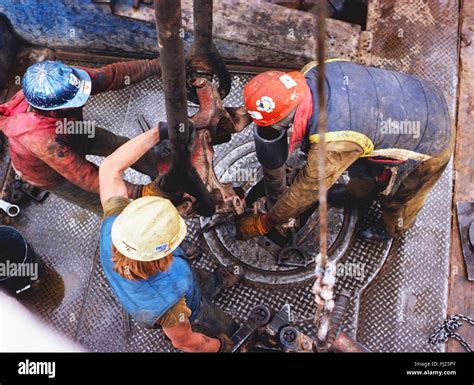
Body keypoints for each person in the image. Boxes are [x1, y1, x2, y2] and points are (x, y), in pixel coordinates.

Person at [237, 60, 454, 242]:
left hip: (431, 140)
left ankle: (391, 230)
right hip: (417, 93)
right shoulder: (312, 71)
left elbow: (308, 189)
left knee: (400, 198)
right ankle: (358, 195)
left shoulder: (332, 140)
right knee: (363, 170)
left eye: (277, 125)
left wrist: (266, 222)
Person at [99, 127, 240, 352]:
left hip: (176, 284)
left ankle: (214, 282)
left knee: (196, 278)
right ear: (165, 257)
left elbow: (109, 168)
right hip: (185, 307)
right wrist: (219, 346)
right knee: (210, 319)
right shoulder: (171, 308)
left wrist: (159, 131)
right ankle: (231, 334)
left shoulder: (114, 224)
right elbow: (185, 341)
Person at [0, 59, 164, 215]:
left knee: (118, 145)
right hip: (50, 172)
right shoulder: (39, 138)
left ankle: (165, 169)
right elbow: (86, 176)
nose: (82, 100)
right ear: (55, 109)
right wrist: (139, 191)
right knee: (108, 203)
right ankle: (133, 231)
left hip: (72, 130)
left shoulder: (68, 83)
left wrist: (155, 66)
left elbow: (112, 75)